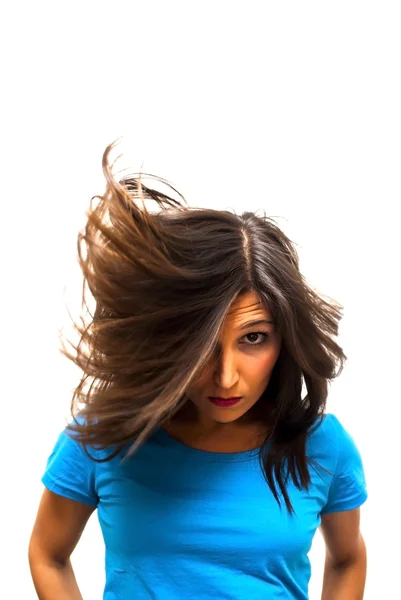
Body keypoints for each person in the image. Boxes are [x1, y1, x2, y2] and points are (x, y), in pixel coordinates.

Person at [28, 142, 368, 600]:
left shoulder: (323, 446)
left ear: (285, 339)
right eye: (203, 345)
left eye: (253, 338)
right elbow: (48, 552)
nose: (225, 376)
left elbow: (348, 558)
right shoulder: (101, 438)